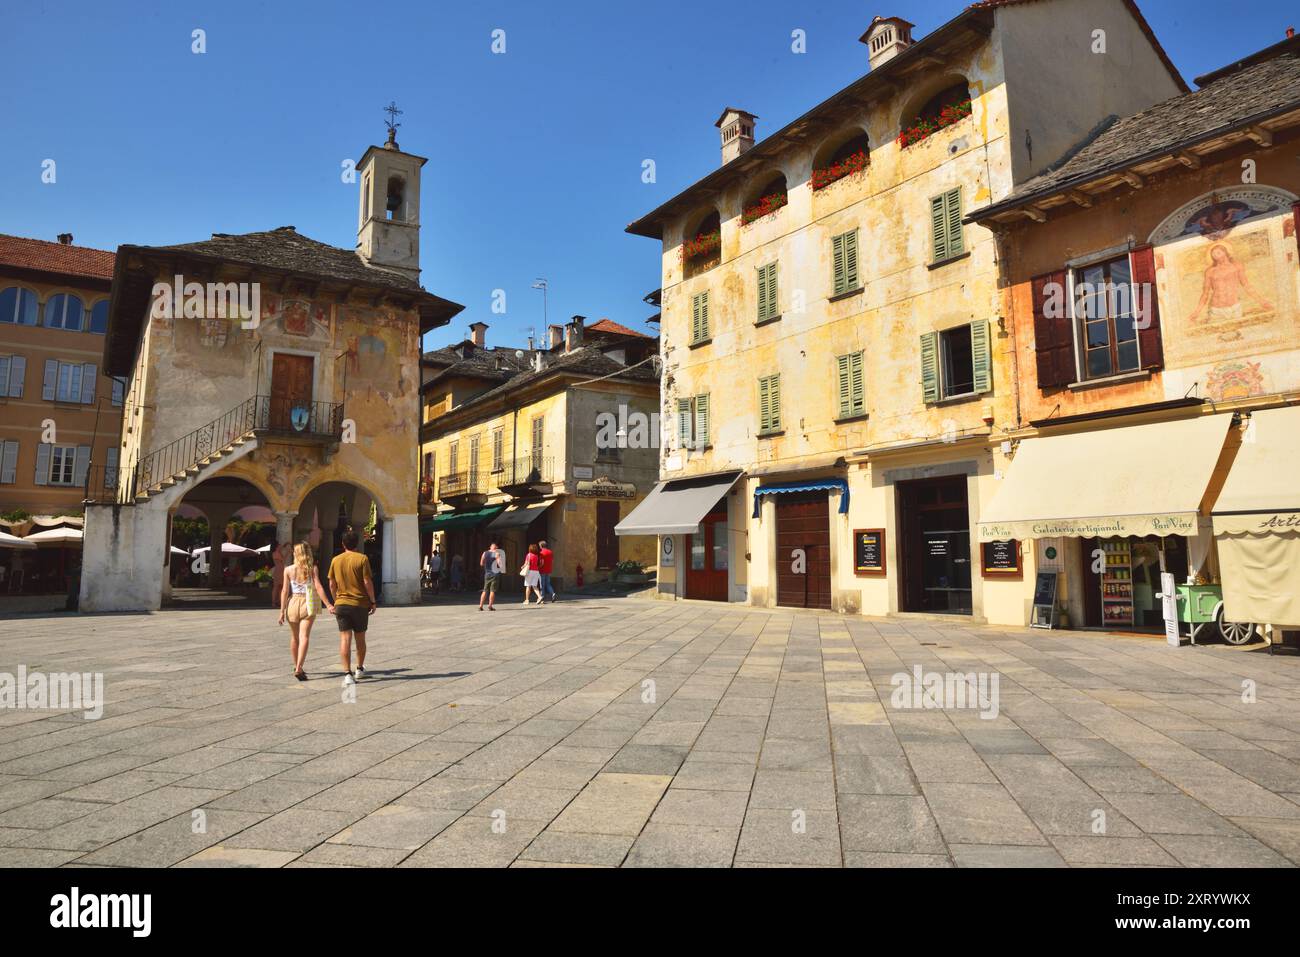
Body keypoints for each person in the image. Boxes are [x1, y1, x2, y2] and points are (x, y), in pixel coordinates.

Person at [279, 541, 334, 680]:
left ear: (295, 554)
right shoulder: (312, 568)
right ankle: (299, 667)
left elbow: (285, 591)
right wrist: (328, 604)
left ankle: (295, 664)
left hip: (292, 603)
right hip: (307, 603)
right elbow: (319, 587)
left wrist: (281, 611)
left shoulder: (288, 569)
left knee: (294, 637)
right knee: (304, 637)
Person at [328, 529, 377, 687]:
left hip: (341, 604)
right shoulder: (362, 559)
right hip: (359, 604)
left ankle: (347, 673)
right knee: (360, 638)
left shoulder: (335, 560)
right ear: (357, 543)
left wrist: (336, 600)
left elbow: (331, 584)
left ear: (343, 544)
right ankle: (359, 669)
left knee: (345, 639)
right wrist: (373, 601)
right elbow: (367, 582)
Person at [478, 540, 504, 611]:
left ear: (490, 546)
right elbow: (500, 564)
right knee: (492, 591)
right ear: (496, 547)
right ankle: (490, 606)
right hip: (495, 574)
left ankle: (481, 606)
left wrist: (486, 566)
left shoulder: (485, 553)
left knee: (485, 590)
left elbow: (481, 563)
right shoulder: (496, 554)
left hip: (487, 574)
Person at [538, 539, 556, 603]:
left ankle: (542, 597)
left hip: (542, 570)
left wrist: (538, 567)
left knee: (542, 584)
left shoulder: (541, 553)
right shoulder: (550, 552)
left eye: (539, 545)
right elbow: (552, 561)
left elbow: (542, 563)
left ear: (541, 546)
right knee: (548, 584)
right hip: (549, 570)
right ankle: (553, 593)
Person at [270, 542, 287, 607]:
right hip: (278, 571)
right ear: (277, 546)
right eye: (279, 545)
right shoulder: (275, 553)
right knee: (276, 587)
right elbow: (283, 560)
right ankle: (273, 602)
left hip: (281, 570)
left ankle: (280, 601)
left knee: (280, 587)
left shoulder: (279, 552)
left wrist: (286, 544)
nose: (280, 546)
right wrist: (288, 553)